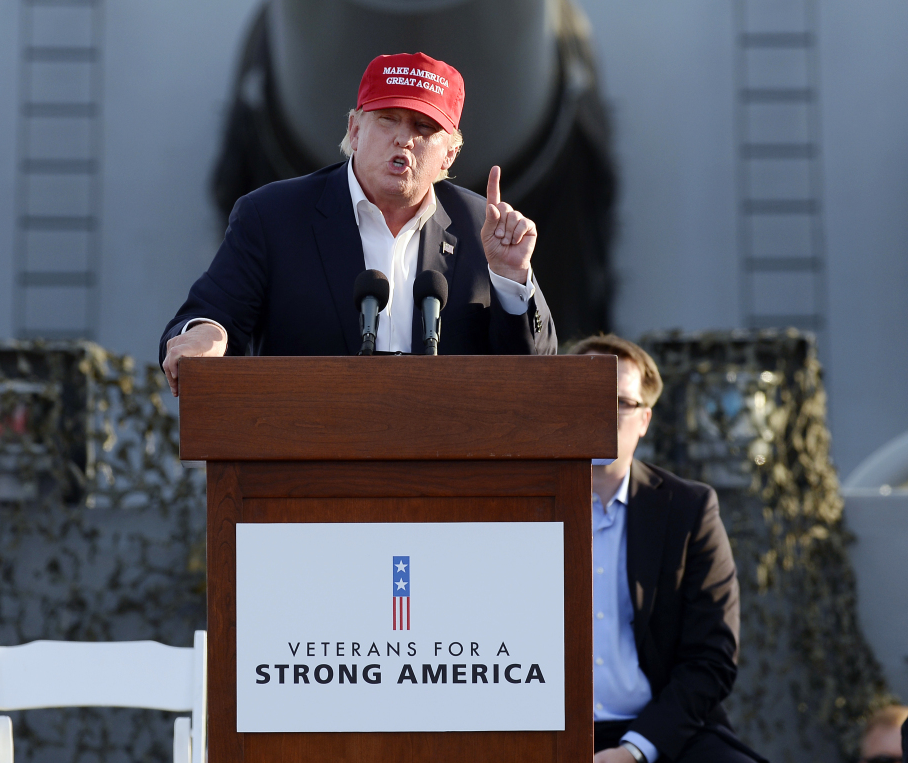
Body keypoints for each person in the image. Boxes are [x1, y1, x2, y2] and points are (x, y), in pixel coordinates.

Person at [160, 51, 555, 394]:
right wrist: (206, 335)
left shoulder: (480, 229)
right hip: (306, 459)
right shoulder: (272, 216)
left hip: (448, 466)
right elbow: (211, 313)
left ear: (449, 154)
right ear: (355, 128)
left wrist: (511, 279)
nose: (403, 139)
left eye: (423, 128)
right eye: (388, 119)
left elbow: (537, 375)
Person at [570, 334, 766, 763]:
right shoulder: (524, 507)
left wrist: (635, 751)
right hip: (548, 730)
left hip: (660, 731)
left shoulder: (689, 510)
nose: (602, 411)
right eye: (586, 395)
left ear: (644, 420)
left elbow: (711, 657)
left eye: (620, 402)